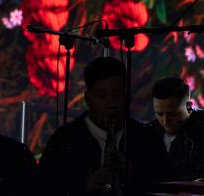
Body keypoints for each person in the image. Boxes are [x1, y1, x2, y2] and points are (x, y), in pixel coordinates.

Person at [37, 58, 167, 196]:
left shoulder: (147, 138)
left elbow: (165, 183)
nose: (111, 103)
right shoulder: (64, 139)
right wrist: (83, 185)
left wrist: (131, 173)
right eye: (102, 96)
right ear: (88, 99)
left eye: (118, 95)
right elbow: (43, 187)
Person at [148, 77, 204, 181]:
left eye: (173, 114)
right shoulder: (152, 130)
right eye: (159, 114)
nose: (165, 121)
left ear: (189, 106)